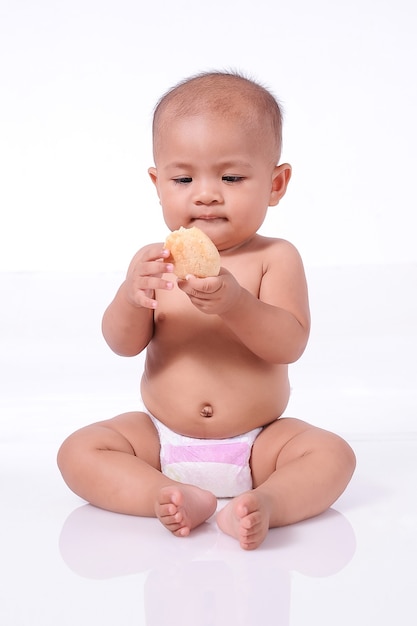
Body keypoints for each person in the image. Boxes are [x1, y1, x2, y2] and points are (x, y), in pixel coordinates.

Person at [57, 70, 356, 550]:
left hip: (259, 444)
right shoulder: (156, 260)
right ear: (157, 184)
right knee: (79, 451)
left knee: (332, 454)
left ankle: (266, 504)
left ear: (276, 184)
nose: (206, 193)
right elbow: (122, 344)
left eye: (231, 176)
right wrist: (130, 297)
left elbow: (289, 343)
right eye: (182, 177)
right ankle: (169, 494)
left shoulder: (274, 258)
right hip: (159, 439)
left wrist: (236, 303)